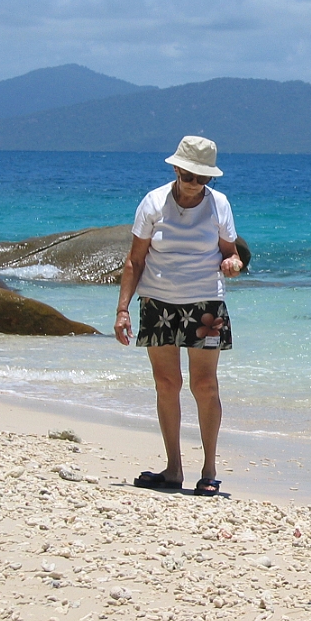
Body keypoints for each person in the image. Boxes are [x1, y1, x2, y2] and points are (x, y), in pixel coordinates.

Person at [113, 135, 243, 497]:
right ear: (176, 169)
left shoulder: (220, 205)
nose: (195, 184)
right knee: (166, 384)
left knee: (206, 385)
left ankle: (209, 470)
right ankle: (173, 469)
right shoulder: (154, 202)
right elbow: (135, 260)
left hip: (206, 305)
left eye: (203, 179)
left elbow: (229, 252)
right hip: (157, 303)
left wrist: (232, 264)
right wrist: (123, 310)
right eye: (190, 176)